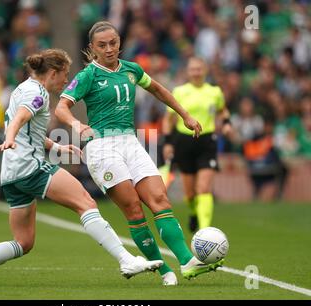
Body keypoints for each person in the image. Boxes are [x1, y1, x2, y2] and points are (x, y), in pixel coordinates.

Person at [0, 49, 163, 288]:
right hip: (31, 167)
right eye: (65, 74)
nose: (67, 80)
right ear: (52, 72)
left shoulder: (22, 87)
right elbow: (20, 118)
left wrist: (56, 147)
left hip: (11, 175)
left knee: (23, 242)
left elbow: (30, 130)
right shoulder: (36, 92)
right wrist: (9, 138)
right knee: (86, 203)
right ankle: (126, 260)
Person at [55, 21, 223, 286]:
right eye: (102, 45)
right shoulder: (88, 75)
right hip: (101, 147)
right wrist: (76, 124)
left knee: (159, 199)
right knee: (134, 209)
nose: (109, 49)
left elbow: (158, 89)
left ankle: (188, 262)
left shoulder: (132, 69)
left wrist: (185, 115)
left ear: (119, 42)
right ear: (92, 48)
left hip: (130, 143)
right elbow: (62, 107)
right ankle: (164, 269)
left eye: (113, 43)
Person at [162, 57, 233, 232]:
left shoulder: (214, 92)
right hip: (184, 141)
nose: (196, 72)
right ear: (188, 71)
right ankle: (194, 212)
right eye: (193, 69)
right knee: (190, 194)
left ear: (205, 71)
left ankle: (205, 231)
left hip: (207, 141)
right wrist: (168, 143)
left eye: (199, 69)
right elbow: (168, 120)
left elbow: (222, 109)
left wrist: (226, 123)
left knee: (203, 188)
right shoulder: (179, 92)